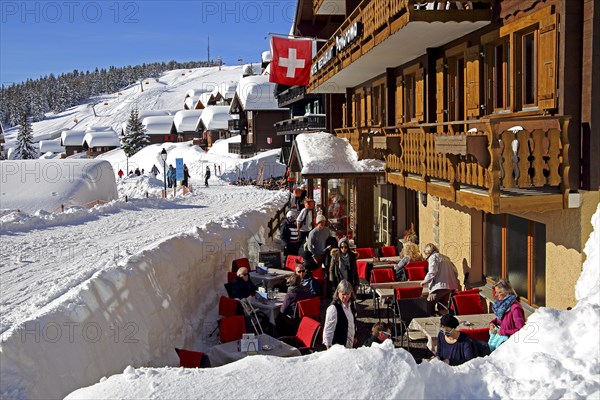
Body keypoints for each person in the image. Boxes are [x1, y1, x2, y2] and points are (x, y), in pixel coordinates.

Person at [421, 243, 460, 316]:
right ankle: (443, 321)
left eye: (426, 254)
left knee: (429, 304)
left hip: (439, 287)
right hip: (450, 286)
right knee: (443, 306)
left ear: (428, 252)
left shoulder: (433, 257)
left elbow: (432, 272)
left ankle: (431, 320)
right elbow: (455, 272)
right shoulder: (445, 257)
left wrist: (424, 281)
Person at [488, 279, 526, 351]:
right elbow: (500, 320)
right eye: (496, 292)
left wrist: (503, 332)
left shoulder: (515, 308)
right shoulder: (502, 306)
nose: (496, 295)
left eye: (499, 292)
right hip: (502, 341)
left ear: (507, 292)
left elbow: (521, 330)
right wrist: (492, 323)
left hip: (509, 346)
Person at [323, 280, 357, 349]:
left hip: (350, 344)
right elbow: (328, 330)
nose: (345, 297)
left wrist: (354, 336)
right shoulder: (333, 308)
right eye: (343, 294)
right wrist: (328, 348)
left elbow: (353, 322)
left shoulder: (352, 304)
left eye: (348, 294)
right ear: (338, 292)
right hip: (339, 347)